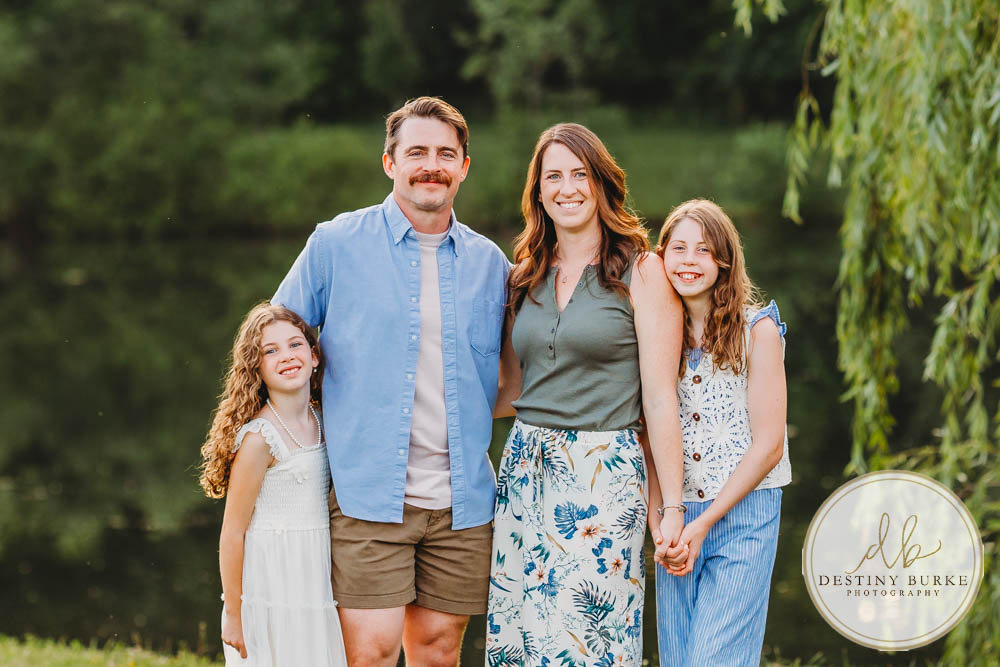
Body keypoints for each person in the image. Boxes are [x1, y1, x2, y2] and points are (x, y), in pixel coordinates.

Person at [271, 97, 510, 666]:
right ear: (389, 163)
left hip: (462, 502)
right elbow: (273, 339)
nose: (432, 165)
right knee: (372, 653)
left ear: (464, 167)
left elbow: (516, 374)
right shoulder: (335, 244)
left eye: (446, 154)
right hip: (367, 495)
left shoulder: (491, 264)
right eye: (417, 152)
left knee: (437, 650)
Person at [487, 123, 686, 665]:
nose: (566, 187)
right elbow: (513, 388)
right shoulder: (523, 276)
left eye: (579, 174)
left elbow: (660, 399)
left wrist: (671, 509)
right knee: (522, 637)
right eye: (553, 176)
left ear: (601, 184)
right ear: (538, 192)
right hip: (525, 468)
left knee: (590, 638)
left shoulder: (643, 273)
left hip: (602, 476)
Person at [651, 199, 791, 666]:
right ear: (662, 255)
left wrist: (704, 524)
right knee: (678, 657)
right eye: (679, 249)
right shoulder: (651, 338)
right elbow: (648, 435)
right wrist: (663, 525)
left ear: (724, 261)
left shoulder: (758, 331)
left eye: (704, 251)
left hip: (743, 514)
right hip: (675, 516)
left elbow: (769, 445)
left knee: (715, 659)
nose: (689, 261)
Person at [199, 303, 348, 666]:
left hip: (315, 576)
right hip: (272, 582)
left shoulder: (326, 419)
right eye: (271, 350)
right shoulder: (260, 438)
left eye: (295, 345)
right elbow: (233, 531)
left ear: (314, 357)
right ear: (257, 368)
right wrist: (234, 613)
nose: (287, 356)